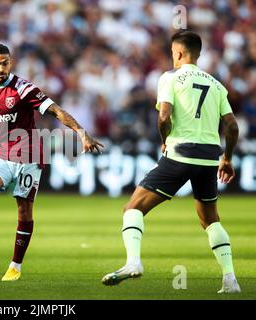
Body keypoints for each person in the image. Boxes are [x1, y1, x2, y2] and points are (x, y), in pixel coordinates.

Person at [0, 43, 103, 281]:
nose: (1, 68)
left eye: (5, 63)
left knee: (24, 208)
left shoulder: (24, 89)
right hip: (2, 152)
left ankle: (15, 266)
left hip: (30, 156)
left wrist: (81, 133)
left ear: (11, 62)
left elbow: (56, 111)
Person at [101, 31, 241, 294]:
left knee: (132, 208)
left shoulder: (169, 78)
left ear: (177, 53)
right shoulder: (217, 84)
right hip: (209, 157)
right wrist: (227, 158)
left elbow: (164, 116)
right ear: (197, 54)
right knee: (210, 220)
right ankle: (230, 279)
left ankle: (133, 262)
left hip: (180, 153)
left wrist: (164, 140)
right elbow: (232, 126)